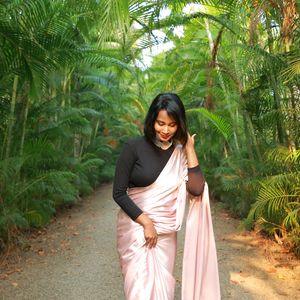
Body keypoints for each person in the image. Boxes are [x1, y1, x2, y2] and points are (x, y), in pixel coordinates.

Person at [113, 93, 220, 300]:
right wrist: (146, 222)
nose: (165, 130)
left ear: (179, 125)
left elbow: (196, 190)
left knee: (163, 291)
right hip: (136, 229)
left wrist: (189, 149)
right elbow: (118, 193)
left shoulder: (179, 153)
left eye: (172, 125)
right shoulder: (133, 148)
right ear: (152, 119)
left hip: (166, 234)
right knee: (140, 291)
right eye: (160, 123)